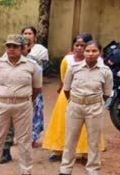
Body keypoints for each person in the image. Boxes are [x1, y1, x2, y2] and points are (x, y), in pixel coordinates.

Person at [0, 34, 42, 175]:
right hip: (2, 105)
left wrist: (23, 100)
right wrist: (4, 98)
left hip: (23, 105)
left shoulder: (32, 66)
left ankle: (26, 172)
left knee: (24, 140)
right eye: (8, 46)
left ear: (22, 48)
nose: (11, 49)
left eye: (15, 47)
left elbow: (37, 89)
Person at [53, 40, 113, 175]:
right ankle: (65, 171)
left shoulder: (105, 71)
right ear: (83, 52)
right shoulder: (73, 68)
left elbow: (106, 93)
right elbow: (66, 89)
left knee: (93, 141)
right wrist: (77, 102)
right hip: (75, 106)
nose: (90, 54)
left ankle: (93, 174)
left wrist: (93, 103)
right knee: (70, 139)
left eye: (94, 51)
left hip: (94, 107)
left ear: (100, 53)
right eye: (88, 51)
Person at [42, 34, 105, 162]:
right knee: (62, 123)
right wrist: (65, 92)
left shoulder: (99, 62)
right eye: (77, 45)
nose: (80, 48)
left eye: (83, 46)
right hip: (67, 96)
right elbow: (64, 77)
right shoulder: (68, 60)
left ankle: (86, 153)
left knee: (88, 125)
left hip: (90, 97)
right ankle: (58, 150)